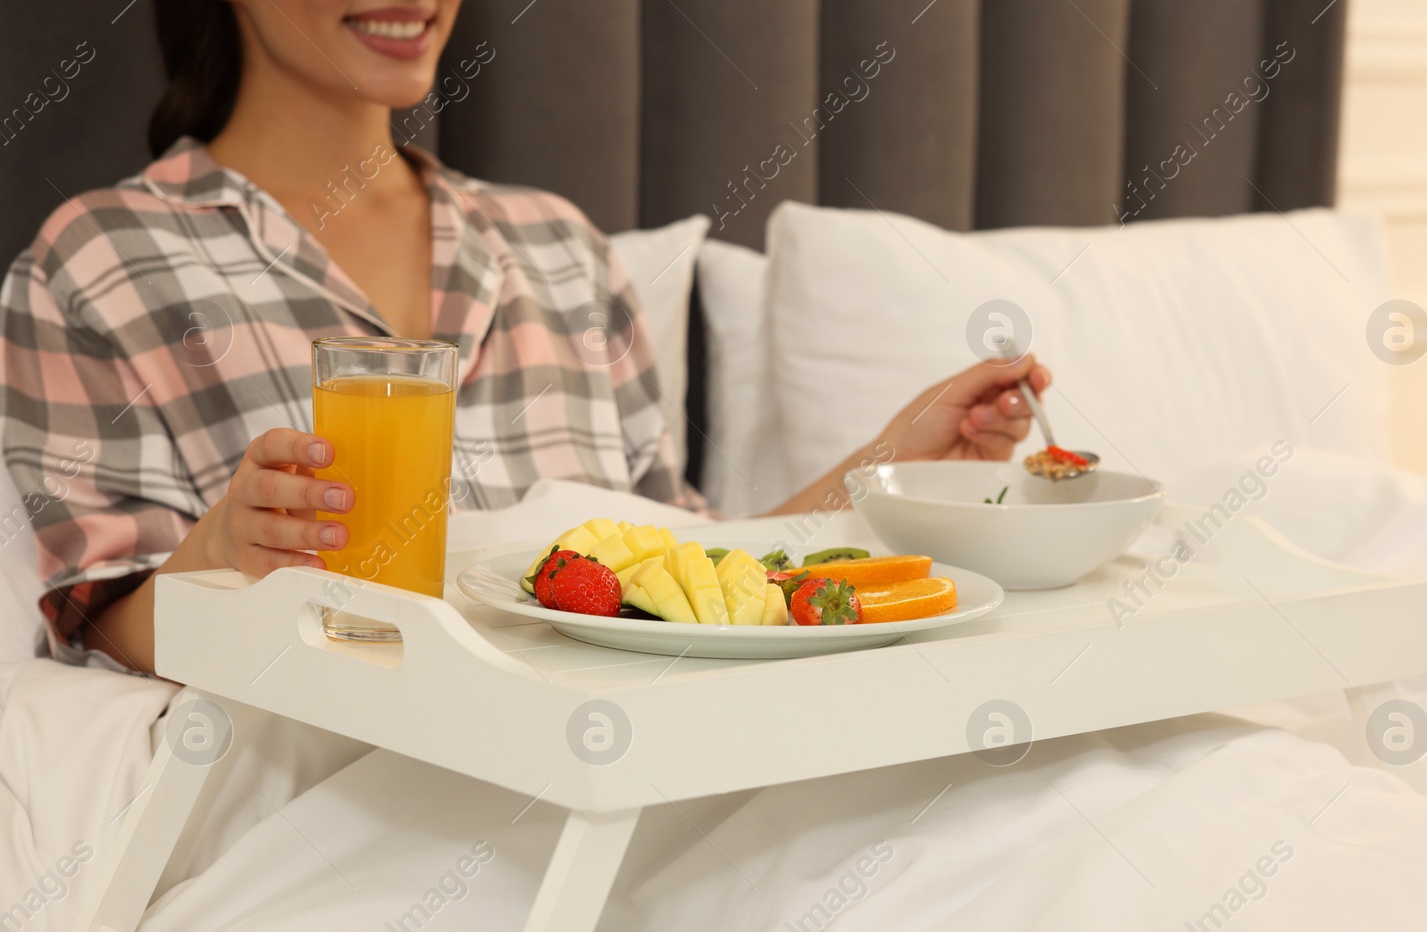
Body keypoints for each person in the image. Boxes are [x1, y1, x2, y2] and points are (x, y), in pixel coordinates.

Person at [0, 0, 1050, 676]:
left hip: (636, 764)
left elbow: (684, 581)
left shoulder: (557, 244)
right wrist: (224, 554)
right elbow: (100, 625)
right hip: (358, 787)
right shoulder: (100, 259)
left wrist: (892, 467)